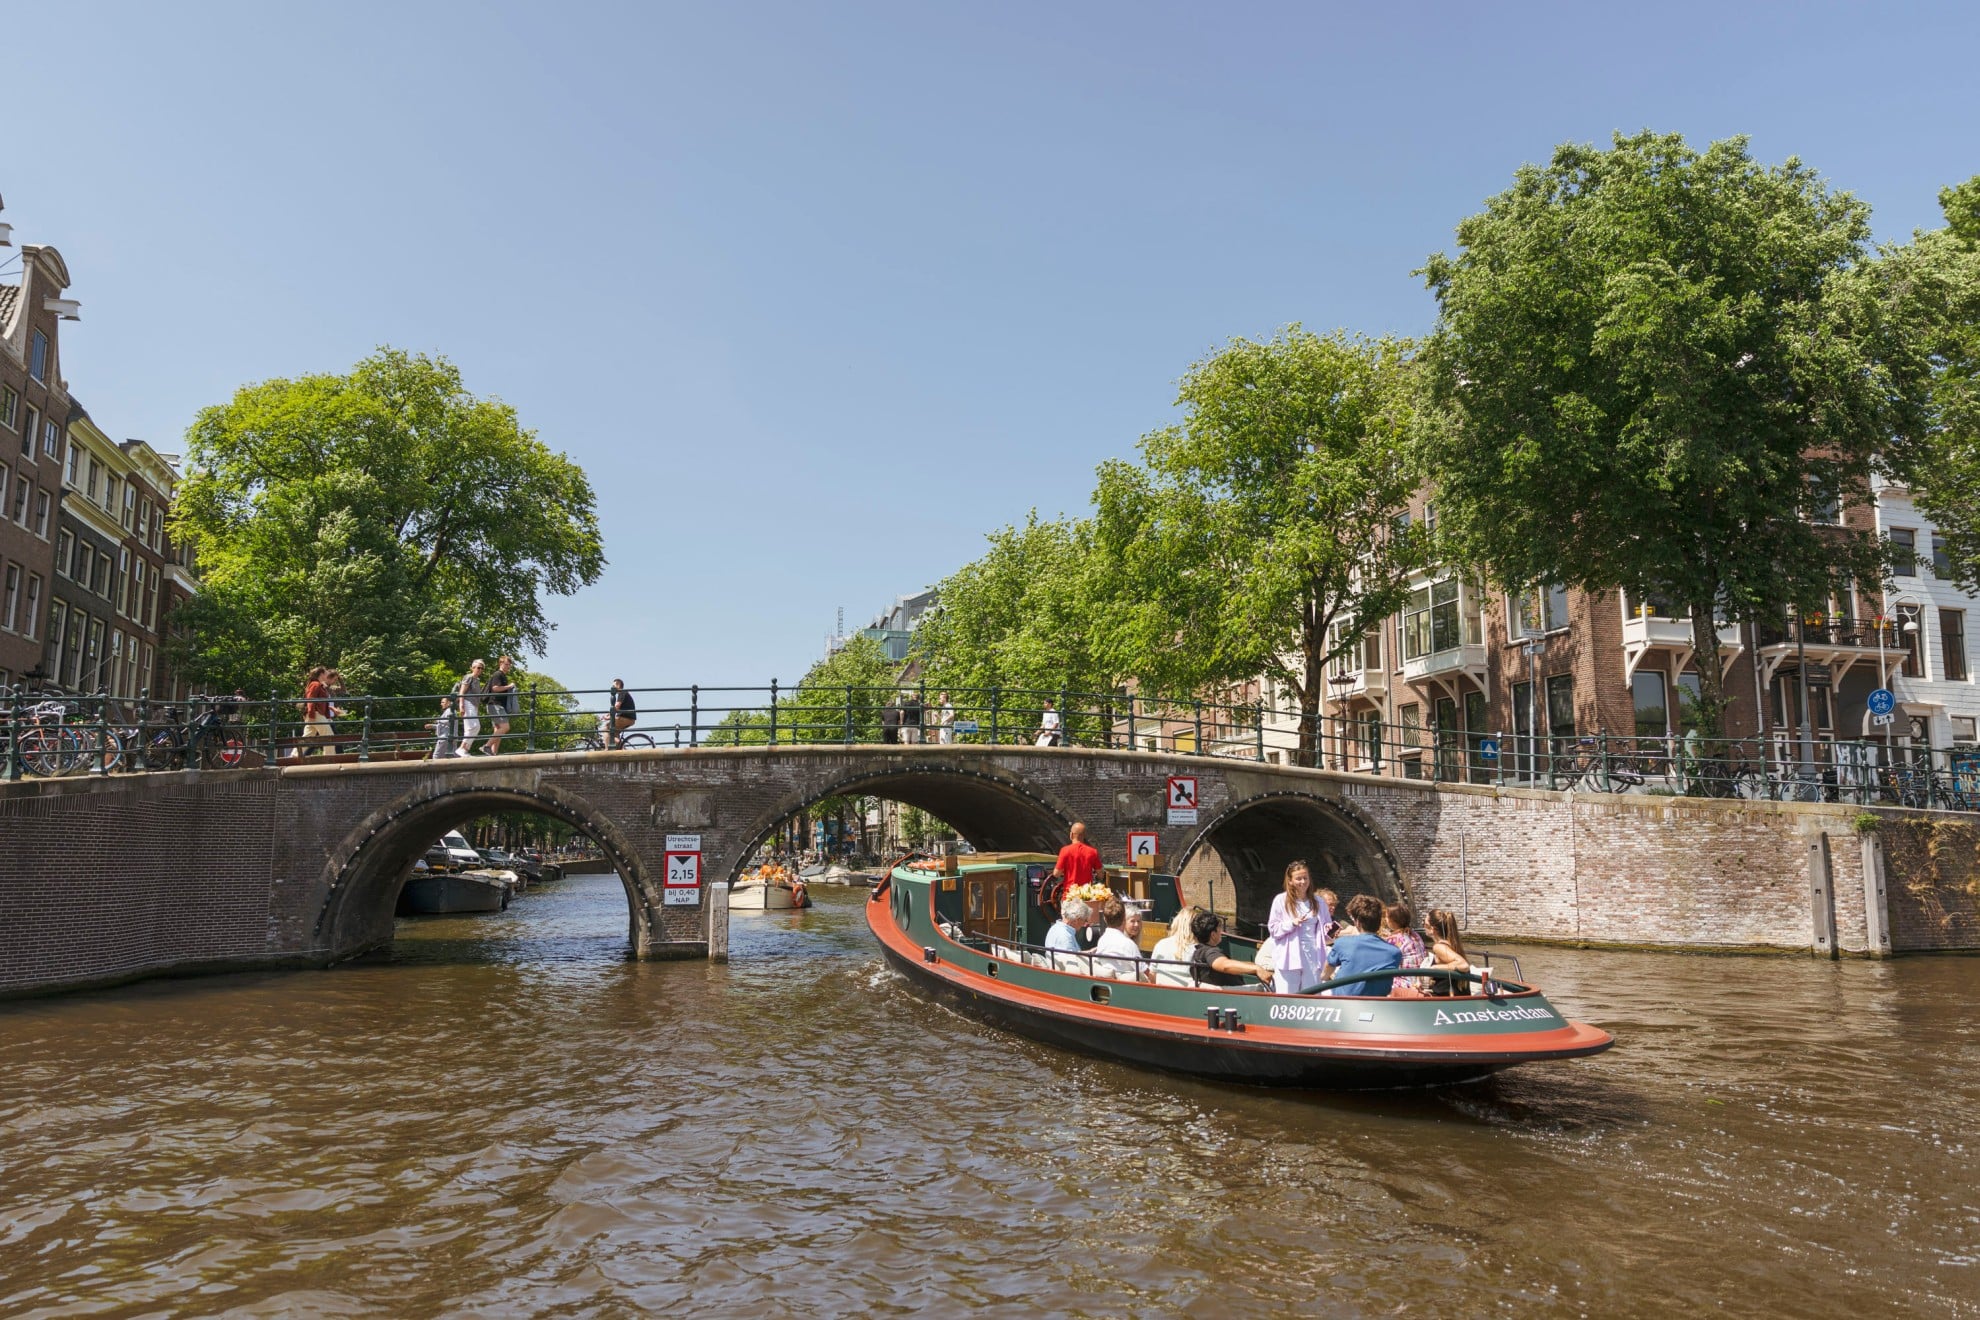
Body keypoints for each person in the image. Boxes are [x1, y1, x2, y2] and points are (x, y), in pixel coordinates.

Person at [1265, 860, 1329, 994]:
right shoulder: (1280, 900)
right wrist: (1291, 923)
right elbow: (1273, 929)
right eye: (1298, 878)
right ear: (1290, 881)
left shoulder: (1319, 902)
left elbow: (1325, 930)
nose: (1303, 882)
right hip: (1288, 956)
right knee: (1287, 994)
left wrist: (1332, 931)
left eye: (1305, 878)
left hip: (1312, 954)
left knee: (1312, 994)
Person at [1322, 894, 1404, 997]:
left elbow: (1324, 975)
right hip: (1377, 1005)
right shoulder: (1395, 953)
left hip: (1344, 1004)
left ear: (1358, 923)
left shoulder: (1342, 944)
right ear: (1379, 921)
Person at [1188, 911, 1269, 989]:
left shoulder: (1199, 952)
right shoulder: (1210, 952)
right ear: (1213, 935)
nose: (1221, 932)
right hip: (1234, 997)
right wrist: (1256, 969)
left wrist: (1254, 966)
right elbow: (1224, 965)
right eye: (1219, 928)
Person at [1091, 897, 1146, 980]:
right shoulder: (1128, 945)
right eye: (1132, 921)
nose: (1136, 925)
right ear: (1124, 919)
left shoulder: (1102, 941)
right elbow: (1145, 971)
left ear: (1104, 919)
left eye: (1138, 921)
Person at [1424, 908, 1472, 997]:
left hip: (1446, 1000)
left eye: (1425, 925)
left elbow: (1463, 965)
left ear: (1432, 929)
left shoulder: (1439, 947)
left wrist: (1435, 968)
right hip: (1461, 997)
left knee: (1398, 992)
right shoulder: (1453, 944)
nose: (1423, 927)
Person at [1382, 900, 1429, 992]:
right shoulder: (1415, 934)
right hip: (1419, 980)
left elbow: (1384, 962)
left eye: (1387, 917)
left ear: (1393, 920)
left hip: (1406, 983)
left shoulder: (1394, 939)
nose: (1385, 920)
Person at [1149, 904, 1200, 986]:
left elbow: (1152, 975)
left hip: (1161, 991)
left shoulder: (1161, 944)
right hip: (1187, 994)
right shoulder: (1197, 948)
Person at [1044, 896, 1093, 971]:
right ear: (1077, 919)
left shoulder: (1055, 928)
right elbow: (1072, 963)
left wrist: (1090, 952)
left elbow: (1073, 955)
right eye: (1085, 920)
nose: (1085, 924)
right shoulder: (1065, 935)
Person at [1054, 821, 1102, 895]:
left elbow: (1056, 874)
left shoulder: (1065, 850)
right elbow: (1100, 875)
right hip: (1086, 895)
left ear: (1071, 834)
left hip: (1070, 894)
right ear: (1084, 835)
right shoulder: (1093, 852)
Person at [453, 659, 487, 756]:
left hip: (474, 706)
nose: (480, 670)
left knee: (472, 728)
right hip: (468, 703)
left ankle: (464, 749)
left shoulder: (477, 680)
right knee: (474, 726)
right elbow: (462, 692)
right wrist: (461, 706)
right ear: (472, 668)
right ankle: (462, 749)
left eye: (482, 668)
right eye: (478, 668)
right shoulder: (469, 677)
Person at [486, 656, 518, 755]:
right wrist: (509, 686)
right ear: (500, 664)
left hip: (496, 705)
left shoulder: (502, 675)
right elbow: (495, 688)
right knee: (505, 727)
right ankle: (486, 746)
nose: (508, 667)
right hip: (496, 705)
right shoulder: (498, 674)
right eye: (506, 664)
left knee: (498, 729)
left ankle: (493, 753)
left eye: (509, 665)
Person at [300, 667, 333, 757]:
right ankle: (329, 757)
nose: (328, 675)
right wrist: (311, 714)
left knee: (307, 737)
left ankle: (293, 756)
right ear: (321, 674)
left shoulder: (320, 685)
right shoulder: (315, 684)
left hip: (316, 714)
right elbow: (311, 699)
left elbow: (324, 703)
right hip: (316, 714)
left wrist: (327, 716)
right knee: (328, 735)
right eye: (326, 673)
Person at [604, 678, 636, 749]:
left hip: (625, 718)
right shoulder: (623, 693)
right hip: (629, 718)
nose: (612, 687)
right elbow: (615, 708)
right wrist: (608, 715)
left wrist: (609, 717)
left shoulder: (622, 692)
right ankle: (621, 749)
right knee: (614, 734)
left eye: (613, 685)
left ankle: (606, 750)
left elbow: (617, 706)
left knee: (606, 728)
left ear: (618, 685)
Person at [429, 695, 458, 759]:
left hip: (445, 737)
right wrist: (432, 726)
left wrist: (437, 720)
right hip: (451, 736)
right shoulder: (450, 711)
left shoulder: (450, 711)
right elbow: (445, 725)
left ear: (448, 703)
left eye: (443, 702)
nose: (441, 704)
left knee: (436, 755)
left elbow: (449, 721)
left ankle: (435, 768)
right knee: (453, 756)